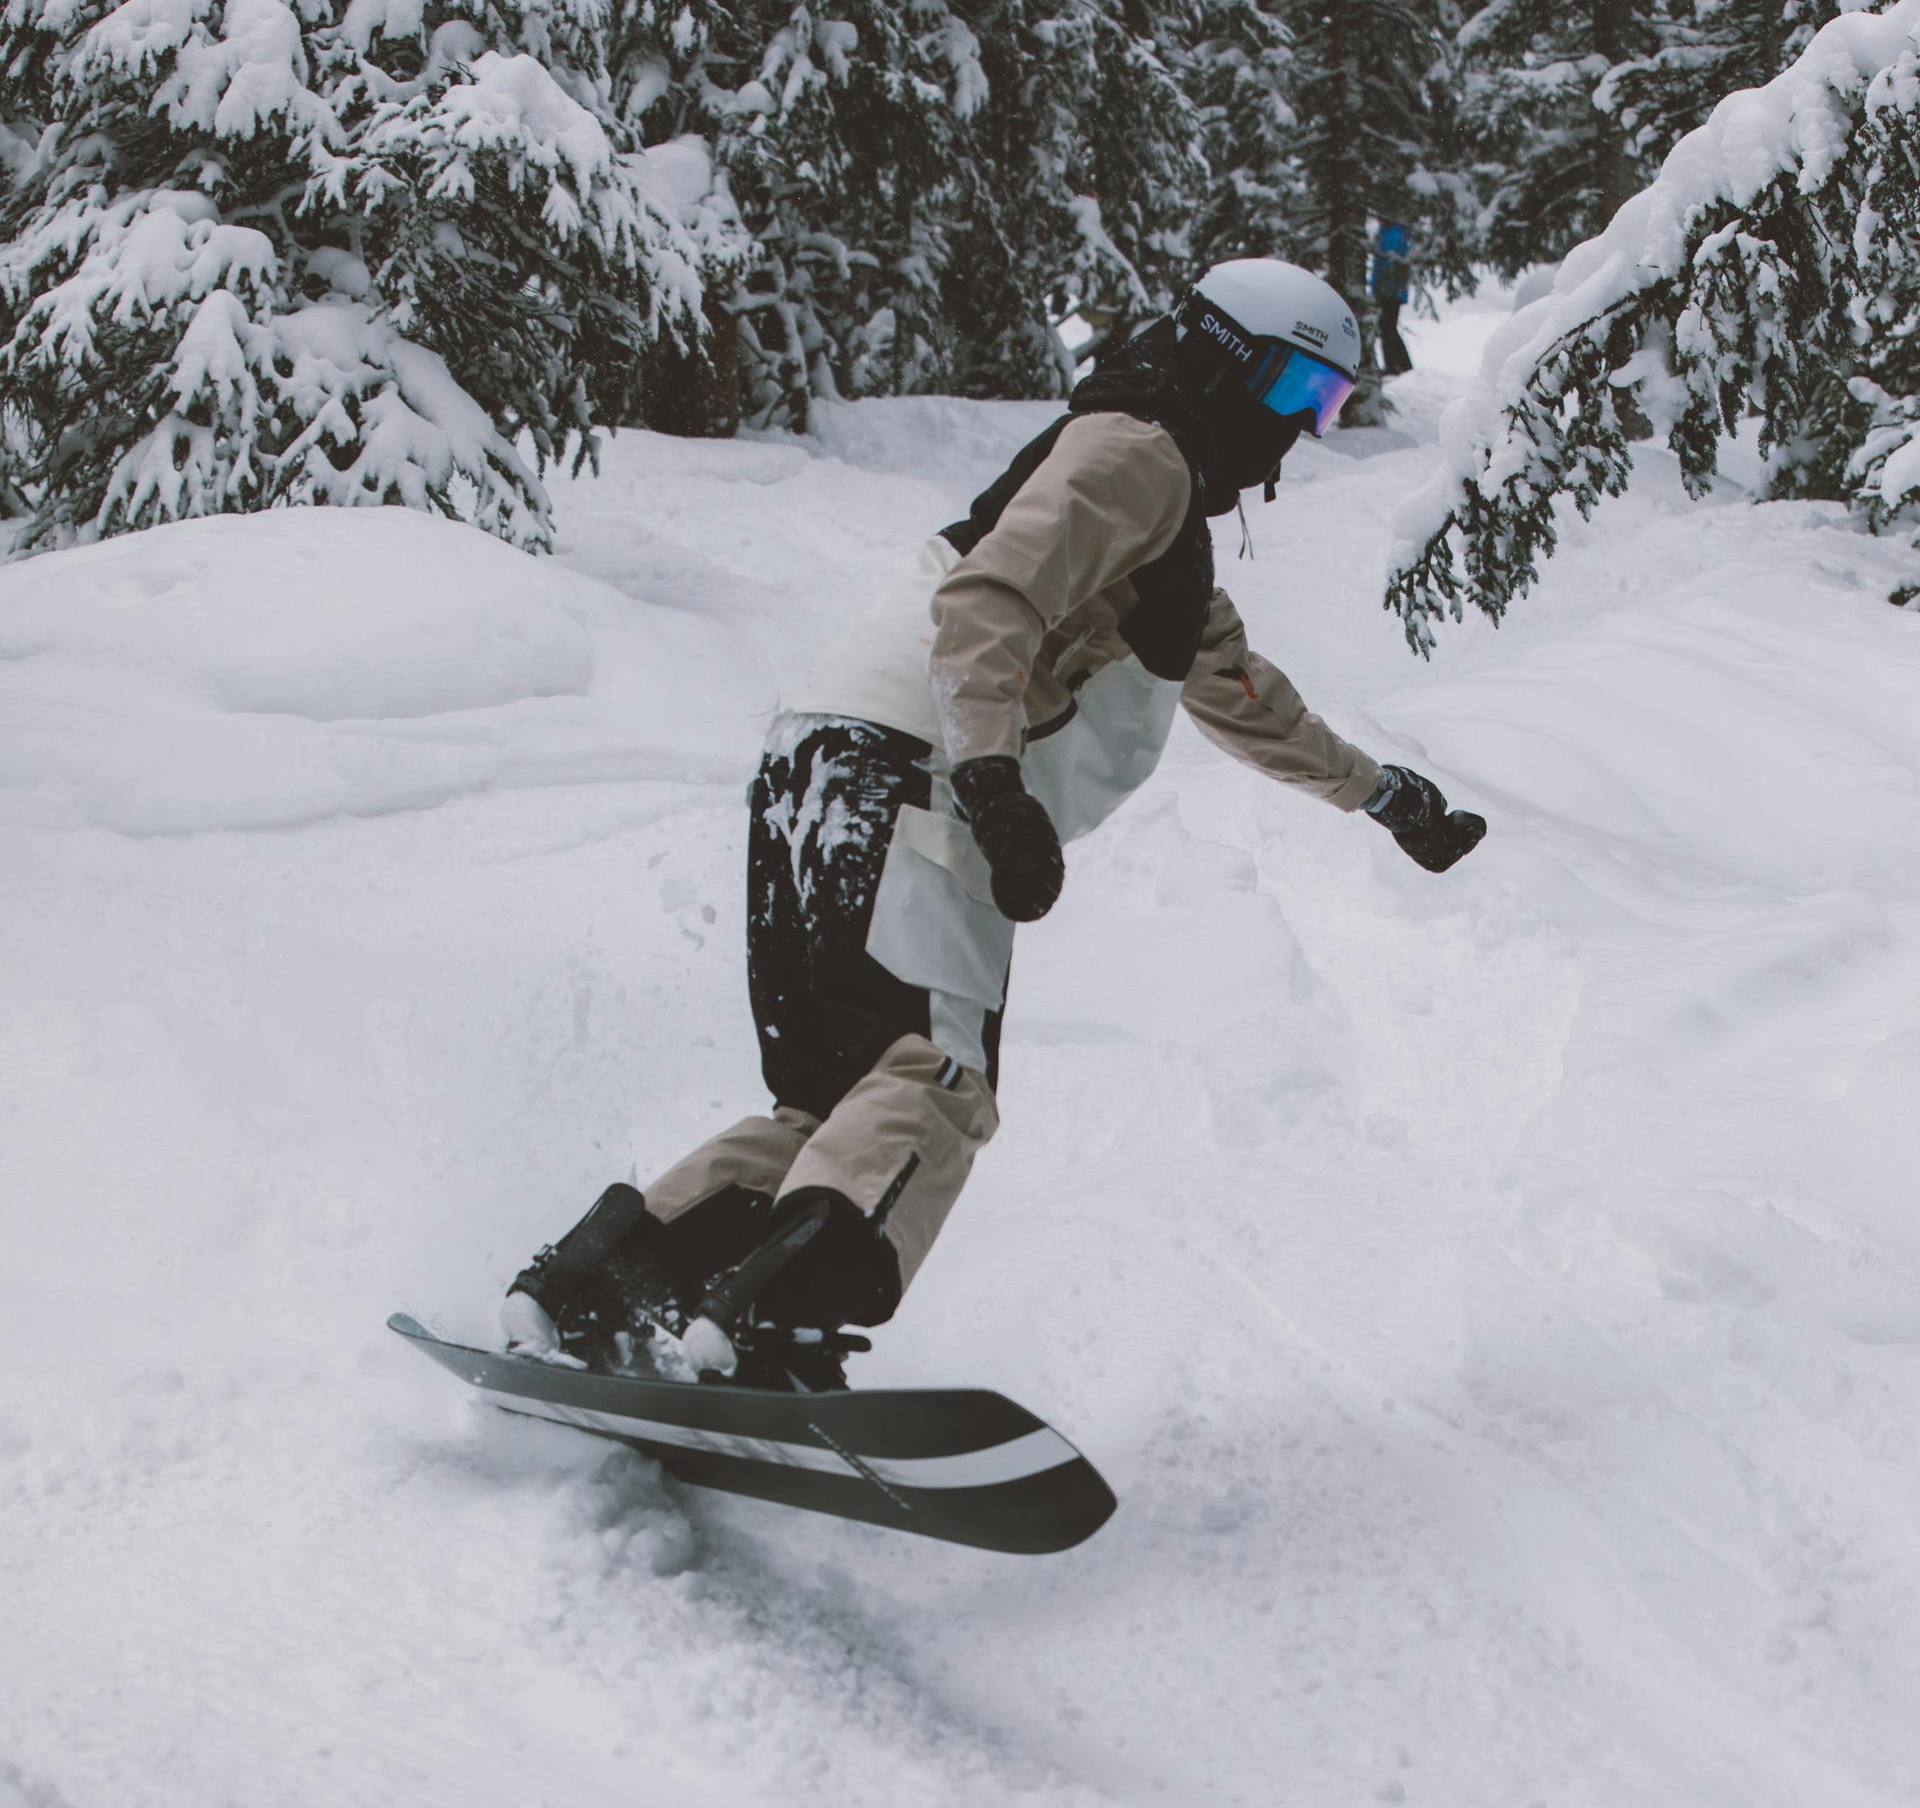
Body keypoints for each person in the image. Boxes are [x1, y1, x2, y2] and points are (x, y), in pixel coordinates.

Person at [502, 257, 1486, 1391]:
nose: (1301, 433)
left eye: (1324, 408)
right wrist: (991, 781)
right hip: (915, 773)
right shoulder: (1137, 453)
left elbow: (1241, 691)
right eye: (1293, 395)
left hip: (820, 764)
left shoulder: (1152, 506)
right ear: (1229, 361)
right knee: (938, 1080)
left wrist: (1382, 795)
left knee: (844, 1108)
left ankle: (596, 1293)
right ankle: (777, 1327)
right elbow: (987, 600)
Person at [1370, 223, 1414, 376]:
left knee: (1387, 328)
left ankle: (1396, 366)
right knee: (1389, 328)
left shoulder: (1392, 235)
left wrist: (1384, 288)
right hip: (1392, 291)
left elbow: (1391, 265)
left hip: (1389, 292)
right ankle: (1400, 365)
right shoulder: (1392, 233)